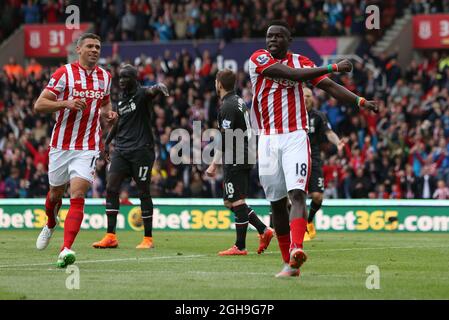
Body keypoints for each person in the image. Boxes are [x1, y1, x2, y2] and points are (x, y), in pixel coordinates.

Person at [248, 20, 378, 277]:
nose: (271, 40)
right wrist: (333, 66)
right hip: (267, 139)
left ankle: (297, 249)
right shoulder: (259, 58)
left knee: (297, 195)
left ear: (289, 40)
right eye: (268, 36)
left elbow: (329, 86)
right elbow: (291, 75)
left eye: (277, 37)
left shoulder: (302, 61)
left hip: (296, 136)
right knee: (276, 204)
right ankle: (289, 263)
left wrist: (359, 100)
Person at [34, 33, 117, 268]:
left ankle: (65, 249)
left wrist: (108, 115)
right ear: (78, 49)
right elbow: (39, 105)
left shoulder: (105, 77)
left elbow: (105, 104)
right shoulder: (64, 74)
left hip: (88, 147)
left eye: (98, 47)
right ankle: (50, 223)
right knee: (54, 195)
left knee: (78, 195)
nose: (94, 50)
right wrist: (65, 103)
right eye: (89, 46)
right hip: (61, 145)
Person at [92, 64, 169, 249]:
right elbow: (119, 123)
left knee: (143, 192)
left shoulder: (142, 94)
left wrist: (159, 87)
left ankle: (148, 239)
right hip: (121, 150)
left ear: (134, 79)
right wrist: (107, 142)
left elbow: (152, 91)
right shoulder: (122, 100)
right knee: (111, 188)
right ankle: (110, 236)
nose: (121, 81)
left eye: (125, 77)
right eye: (120, 77)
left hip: (142, 151)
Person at [206, 69, 274, 256]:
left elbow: (226, 138)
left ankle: (241, 246)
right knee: (231, 201)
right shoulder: (239, 101)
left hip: (236, 156)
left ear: (219, 84)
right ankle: (263, 230)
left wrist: (214, 164)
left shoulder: (227, 105)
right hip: (244, 154)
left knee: (236, 201)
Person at [303, 87, 345, 241]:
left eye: (309, 96)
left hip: (313, 159)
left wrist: (338, 142)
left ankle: (308, 221)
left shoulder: (319, 116)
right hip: (295, 159)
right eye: (304, 96)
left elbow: (329, 133)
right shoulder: (293, 115)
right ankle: (297, 228)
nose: (307, 98)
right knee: (296, 197)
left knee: (317, 196)